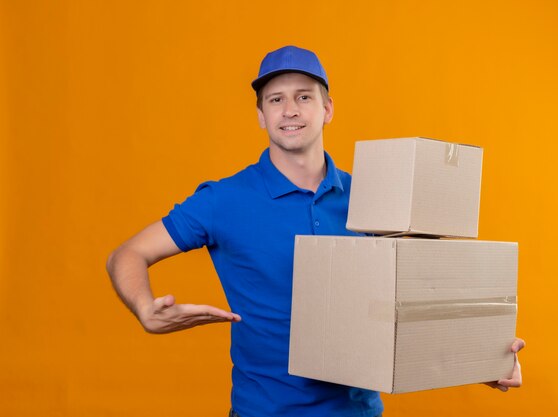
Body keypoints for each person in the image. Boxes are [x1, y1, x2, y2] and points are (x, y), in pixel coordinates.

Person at [106, 45, 524, 417]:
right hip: (265, 410)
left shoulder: (373, 199)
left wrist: (479, 362)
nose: (290, 110)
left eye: (304, 97)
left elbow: (411, 303)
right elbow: (126, 254)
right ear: (261, 115)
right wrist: (144, 307)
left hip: (358, 412)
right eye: (276, 100)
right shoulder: (223, 200)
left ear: (327, 110)